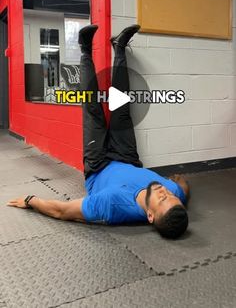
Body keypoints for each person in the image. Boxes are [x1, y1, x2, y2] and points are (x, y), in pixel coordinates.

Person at [7, 24, 190, 239]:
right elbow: (183, 188)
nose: (163, 190)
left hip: (99, 164)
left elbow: (62, 211)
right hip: (127, 158)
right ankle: (120, 47)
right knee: (122, 106)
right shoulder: (174, 195)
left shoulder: (113, 204)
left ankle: (85, 49)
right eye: (170, 194)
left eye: (162, 198)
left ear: (149, 215)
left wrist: (31, 201)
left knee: (92, 108)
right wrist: (180, 182)